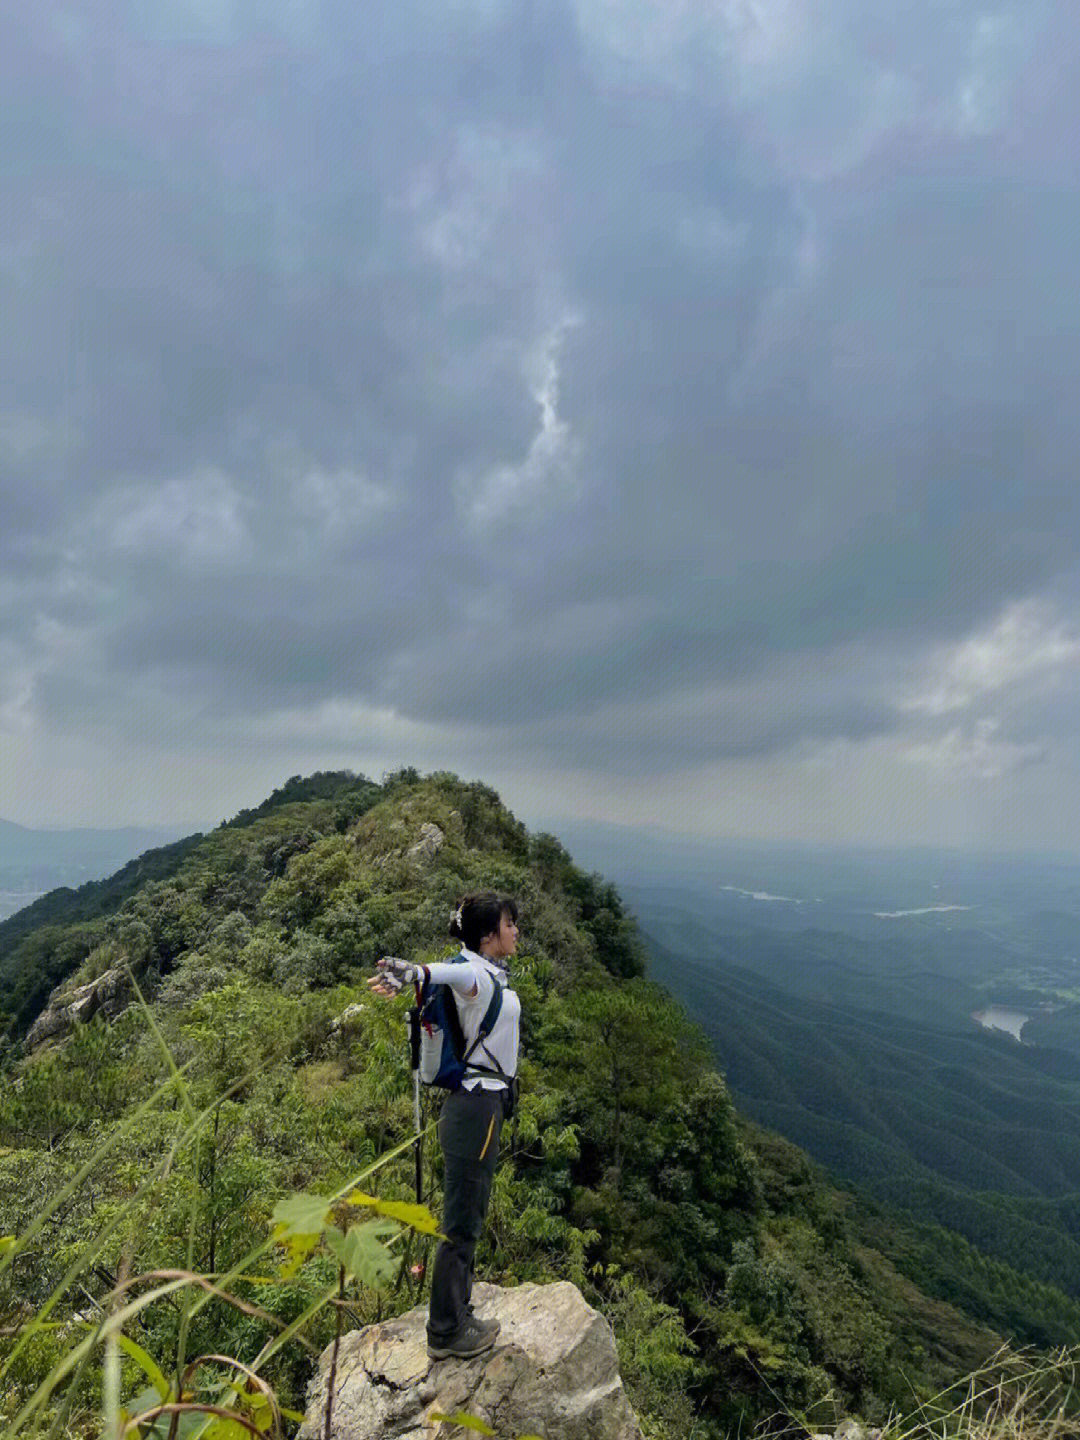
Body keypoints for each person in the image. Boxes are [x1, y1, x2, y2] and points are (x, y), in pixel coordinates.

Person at [367, 891, 521, 1359]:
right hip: (475, 1111)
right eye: (509, 924)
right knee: (462, 1222)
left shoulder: (489, 971)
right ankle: (446, 1332)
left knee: (468, 1215)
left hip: (480, 1109)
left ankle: (458, 1312)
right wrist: (417, 973)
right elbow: (447, 971)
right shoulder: (472, 971)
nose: (516, 931)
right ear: (488, 935)